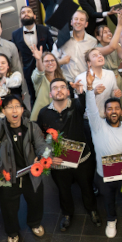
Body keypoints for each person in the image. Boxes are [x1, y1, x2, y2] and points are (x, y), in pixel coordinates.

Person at [77, 73, 122, 237]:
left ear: (121, 112)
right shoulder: (97, 125)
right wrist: (90, 87)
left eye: (116, 108)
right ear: (105, 112)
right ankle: (111, 220)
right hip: (103, 175)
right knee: (108, 199)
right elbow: (91, 108)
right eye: (109, 109)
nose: (113, 111)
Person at [35, 77, 102, 231]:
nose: (59, 90)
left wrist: (81, 92)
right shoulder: (44, 113)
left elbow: (87, 104)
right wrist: (48, 156)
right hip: (59, 162)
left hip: (82, 160)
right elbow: (39, 137)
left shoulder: (77, 106)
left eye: (62, 87)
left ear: (67, 91)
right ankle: (67, 214)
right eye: (55, 88)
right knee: (63, 190)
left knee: (87, 187)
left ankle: (92, 210)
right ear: (50, 93)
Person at [0, 94, 49, 242]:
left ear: (22, 109)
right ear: (4, 111)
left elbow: (43, 146)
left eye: (17, 106)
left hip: (31, 174)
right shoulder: (0, 127)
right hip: (8, 175)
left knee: (36, 201)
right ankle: (12, 232)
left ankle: (34, 223)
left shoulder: (32, 126)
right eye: (10, 107)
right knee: (8, 207)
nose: (14, 110)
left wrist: (42, 157)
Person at [13, 5, 54, 106]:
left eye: (29, 12)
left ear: (34, 16)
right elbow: (15, 55)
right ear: (20, 18)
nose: (26, 14)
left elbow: (53, 48)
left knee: (50, 91)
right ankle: (36, 118)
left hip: (46, 67)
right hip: (28, 69)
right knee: (33, 95)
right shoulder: (15, 34)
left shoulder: (44, 30)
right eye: (23, 13)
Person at [94, 12, 122, 114]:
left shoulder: (116, 46)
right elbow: (110, 48)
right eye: (105, 32)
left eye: (109, 31)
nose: (109, 34)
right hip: (105, 82)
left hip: (118, 79)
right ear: (98, 37)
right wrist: (119, 25)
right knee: (109, 110)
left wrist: (120, 39)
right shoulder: (96, 49)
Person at [75, 47, 122, 118]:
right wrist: (93, 92)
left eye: (100, 54)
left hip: (108, 117)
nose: (99, 56)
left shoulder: (110, 74)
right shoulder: (81, 78)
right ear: (89, 63)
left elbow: (113, 95)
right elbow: (79, 104)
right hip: (90, 118)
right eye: (94, 56)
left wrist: (116, 94)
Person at [52, 10, 98, 80]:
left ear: (86, 24)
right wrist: (61, 61)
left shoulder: (93, 42)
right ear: (71, 22)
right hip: (66, 81)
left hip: (85, 82)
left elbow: (95, 64)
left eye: (82, 20)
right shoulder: (62, 39)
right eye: (76, 19)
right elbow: (51, 62)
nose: (78, 22)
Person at [29, 46, 66, 121]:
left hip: (58, 117)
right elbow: (40, 71)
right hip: (41, 118)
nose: (50, 63)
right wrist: (38, 59)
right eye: (46, 61)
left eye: (52, 60)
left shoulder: (62, 77)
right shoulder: (39, 78)